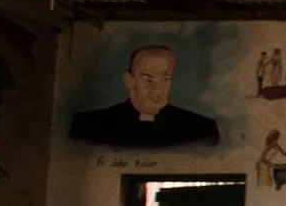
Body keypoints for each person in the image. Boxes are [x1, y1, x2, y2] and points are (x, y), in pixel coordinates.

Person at [69, 45, 219, 147]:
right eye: (149, 80)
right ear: (129, 80)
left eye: (165, 79)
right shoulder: (88, 126)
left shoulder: (201, 128)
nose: (157, 88)